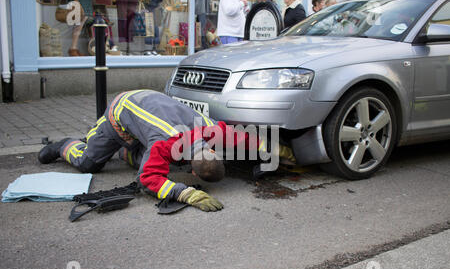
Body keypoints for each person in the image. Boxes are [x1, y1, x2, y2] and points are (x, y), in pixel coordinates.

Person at [38, 90, 297, 212]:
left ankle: (123, 150)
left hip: (149, 102)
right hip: (121, 110)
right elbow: (148, 179)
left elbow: (244, 139)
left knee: (147, 158)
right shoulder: (165, 143)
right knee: (90, 163)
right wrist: (185, 193)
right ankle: (63, 146)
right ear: (194, 170)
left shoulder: (210, 130)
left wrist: (276, 149)